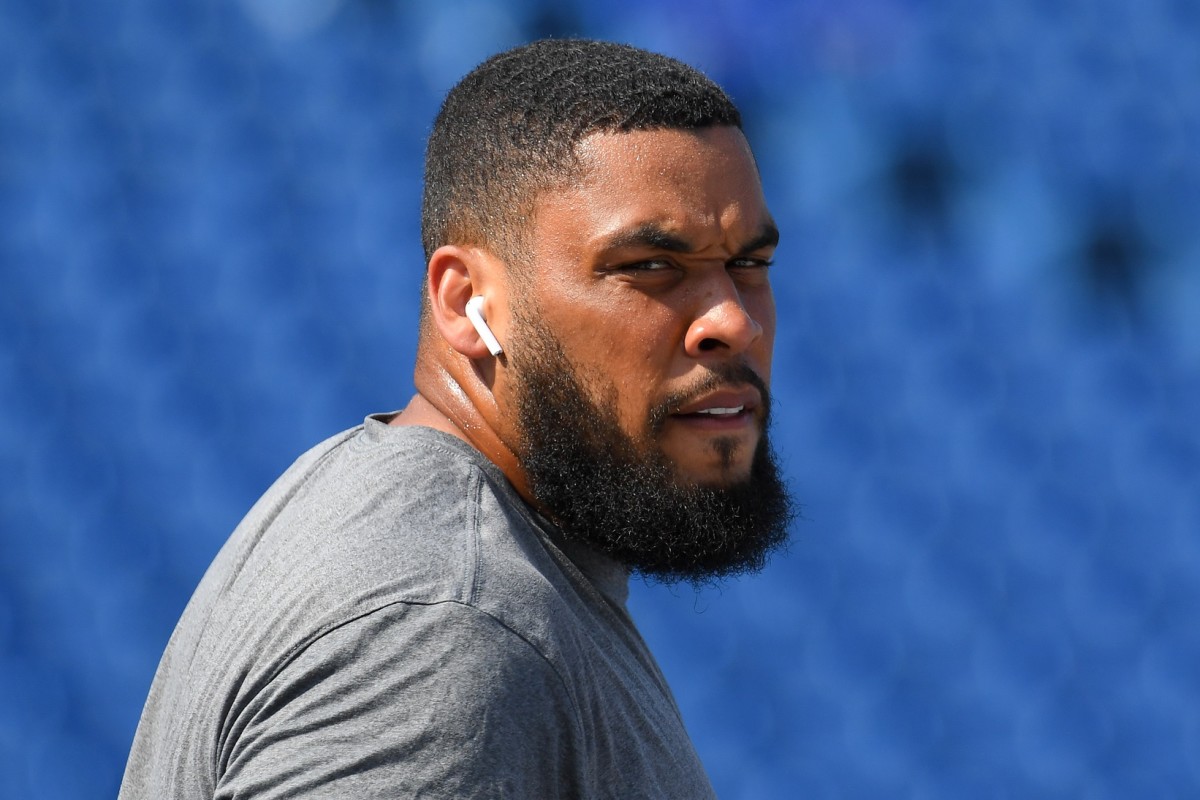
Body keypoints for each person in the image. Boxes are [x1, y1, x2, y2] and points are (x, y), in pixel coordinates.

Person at [119, 38, 795, 799]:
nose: (733, 322)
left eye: (749, 264)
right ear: (464, 303)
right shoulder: (442, 631)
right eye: (649, 266)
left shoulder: (460, 565)